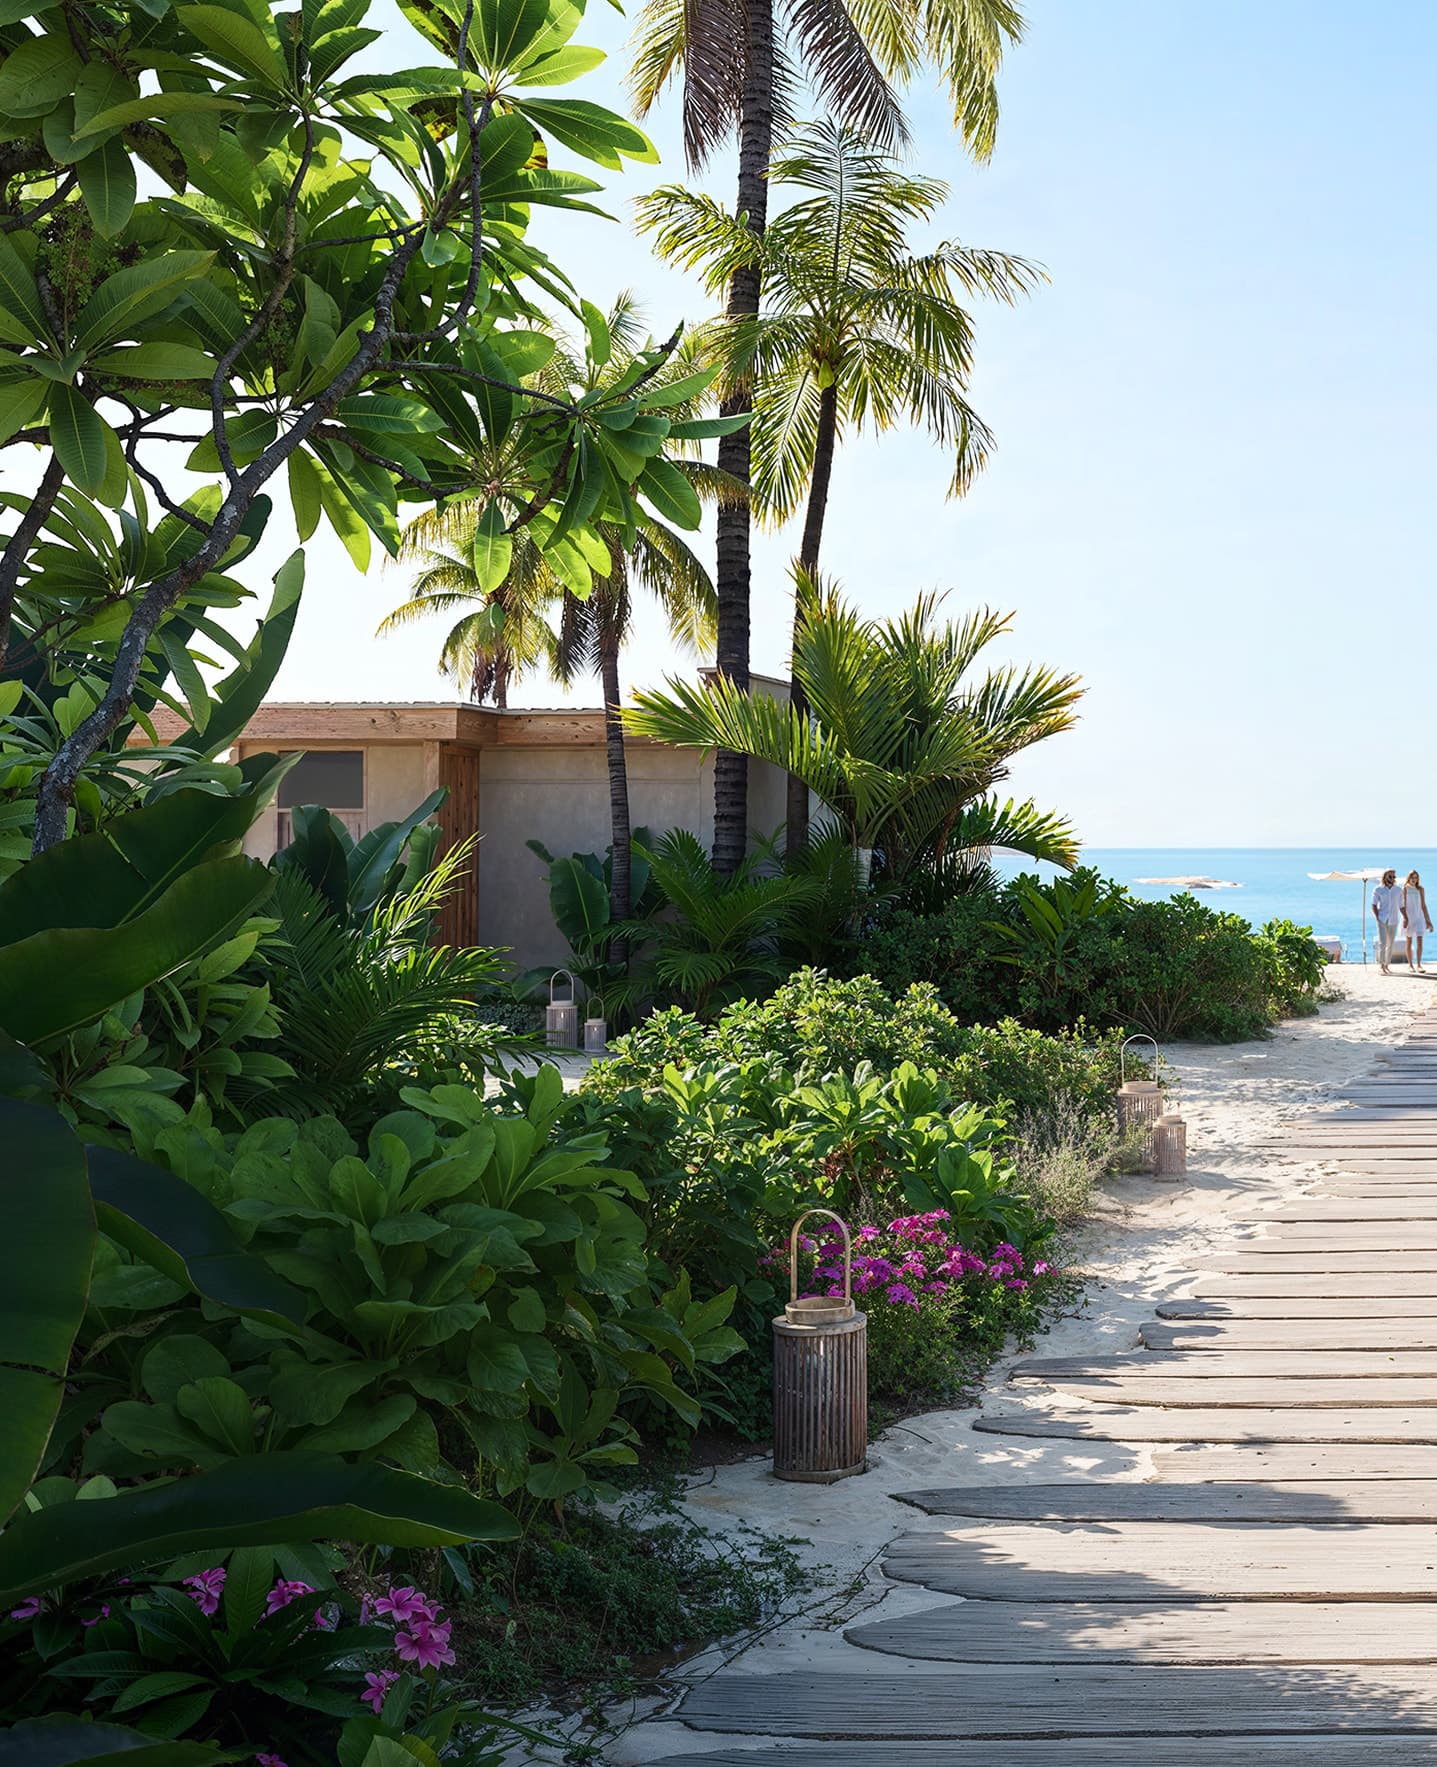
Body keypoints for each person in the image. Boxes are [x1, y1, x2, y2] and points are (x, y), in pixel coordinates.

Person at [1403, 869, 1433, 974]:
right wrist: (1405, 918)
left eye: (1415, 878)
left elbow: (1423, 906)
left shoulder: (1420, 889)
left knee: (1420, 941)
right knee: (1409, 941)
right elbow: (1403, 905)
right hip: (1409, 918)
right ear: (1408, 878)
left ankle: (1419, 965)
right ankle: (1410, 965)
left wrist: (1429, 921)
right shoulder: (1405, 889)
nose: (1414, 880)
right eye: (1412, 877)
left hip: (1420, 917)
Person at [1372, 869, 1402, 973]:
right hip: (1382, 919)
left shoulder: (1398, 890)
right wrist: (1377, 917)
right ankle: (1382, 965)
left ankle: (1387, 964)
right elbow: (1374, 904)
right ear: (1385, 877)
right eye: (1390, 877)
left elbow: (1401, 905)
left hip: (1393, 919)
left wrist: (1406, 917)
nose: (1392, 879)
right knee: (1382, 943)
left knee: (1391, 943)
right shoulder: (1378, 889)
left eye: (1394, 877)